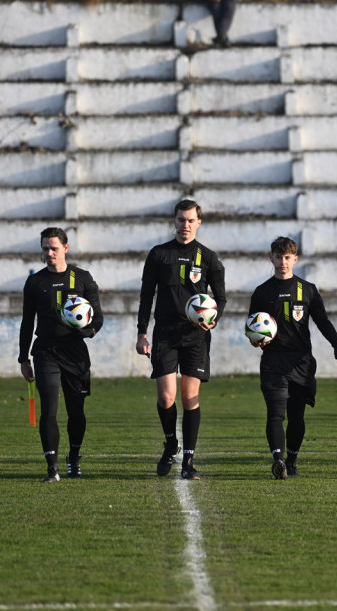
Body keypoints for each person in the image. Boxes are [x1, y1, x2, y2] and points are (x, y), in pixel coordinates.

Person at [136, 200, 227, 480]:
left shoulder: (209, 258)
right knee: (166, 398)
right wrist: (141, 332)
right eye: (180, 220)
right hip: (164, 332)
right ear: (173, 221)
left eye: (190, 220)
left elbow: (220, 297)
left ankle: (188, 462)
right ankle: (170, 444)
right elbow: (146, 295)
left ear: (198, 222)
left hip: (195, 335)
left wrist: (214, 317)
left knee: (190, 398)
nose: (184, 225)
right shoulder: (159, 254)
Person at [248, 237, 337, 479]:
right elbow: (251, 327)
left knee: (296, 417)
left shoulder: (308, 290)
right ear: (270, 257)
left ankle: (291, 460)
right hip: (273, 361)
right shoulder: (262, 292)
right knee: (275, 413)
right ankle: (278, 460)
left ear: (295, 259)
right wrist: (256, 340)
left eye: (287, 257)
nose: (283, 262)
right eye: (278, 257)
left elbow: (322, 321)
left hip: (301, 362)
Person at [19, 227, 103, 482]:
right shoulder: (35, 282)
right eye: (45, 248)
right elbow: (26, 322)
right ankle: (52, 468)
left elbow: (97, 317)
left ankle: (74, 458)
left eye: (54, 248)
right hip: (45, 352)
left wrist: (89, 331)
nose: (49, 253)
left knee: (76, 412)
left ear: (66, 248)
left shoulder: (83, 278)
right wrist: (24, 358)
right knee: (49, 410)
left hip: (75, 353)